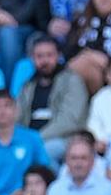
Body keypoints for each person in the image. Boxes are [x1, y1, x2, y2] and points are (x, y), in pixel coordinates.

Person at [17, 34, 89, 162]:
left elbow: (70, 120)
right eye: (39, 56)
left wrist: (36, 139)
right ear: (32, 58)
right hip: (31, 140)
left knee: (45, 152)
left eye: (49, 55)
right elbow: (17, 117)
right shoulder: (27, 86)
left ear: (58, 56)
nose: (44, 61)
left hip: (63, 139)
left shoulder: (72, 81)